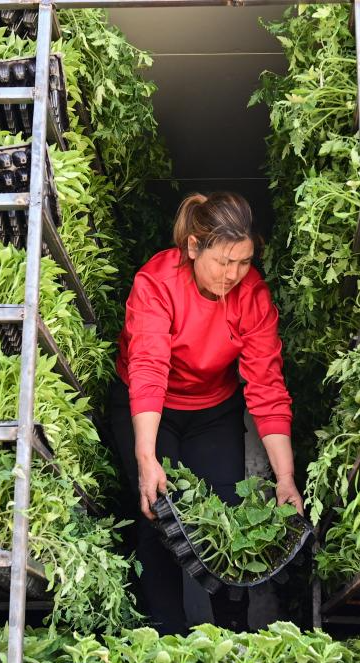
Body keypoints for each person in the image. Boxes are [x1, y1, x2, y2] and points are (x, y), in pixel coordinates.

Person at [107, 191, 304, 635]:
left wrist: (285, 477)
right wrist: (146, 459)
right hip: (148, 407)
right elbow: (148, 369)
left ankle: (228, 639)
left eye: (244, 261)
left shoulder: (252, 295)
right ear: (194, 247)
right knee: (159, 515)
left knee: (228, 516)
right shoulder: (156, 283)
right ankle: (164, 642)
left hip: (213, 408)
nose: (233, 274)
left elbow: (267, 387)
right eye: (223, 262)